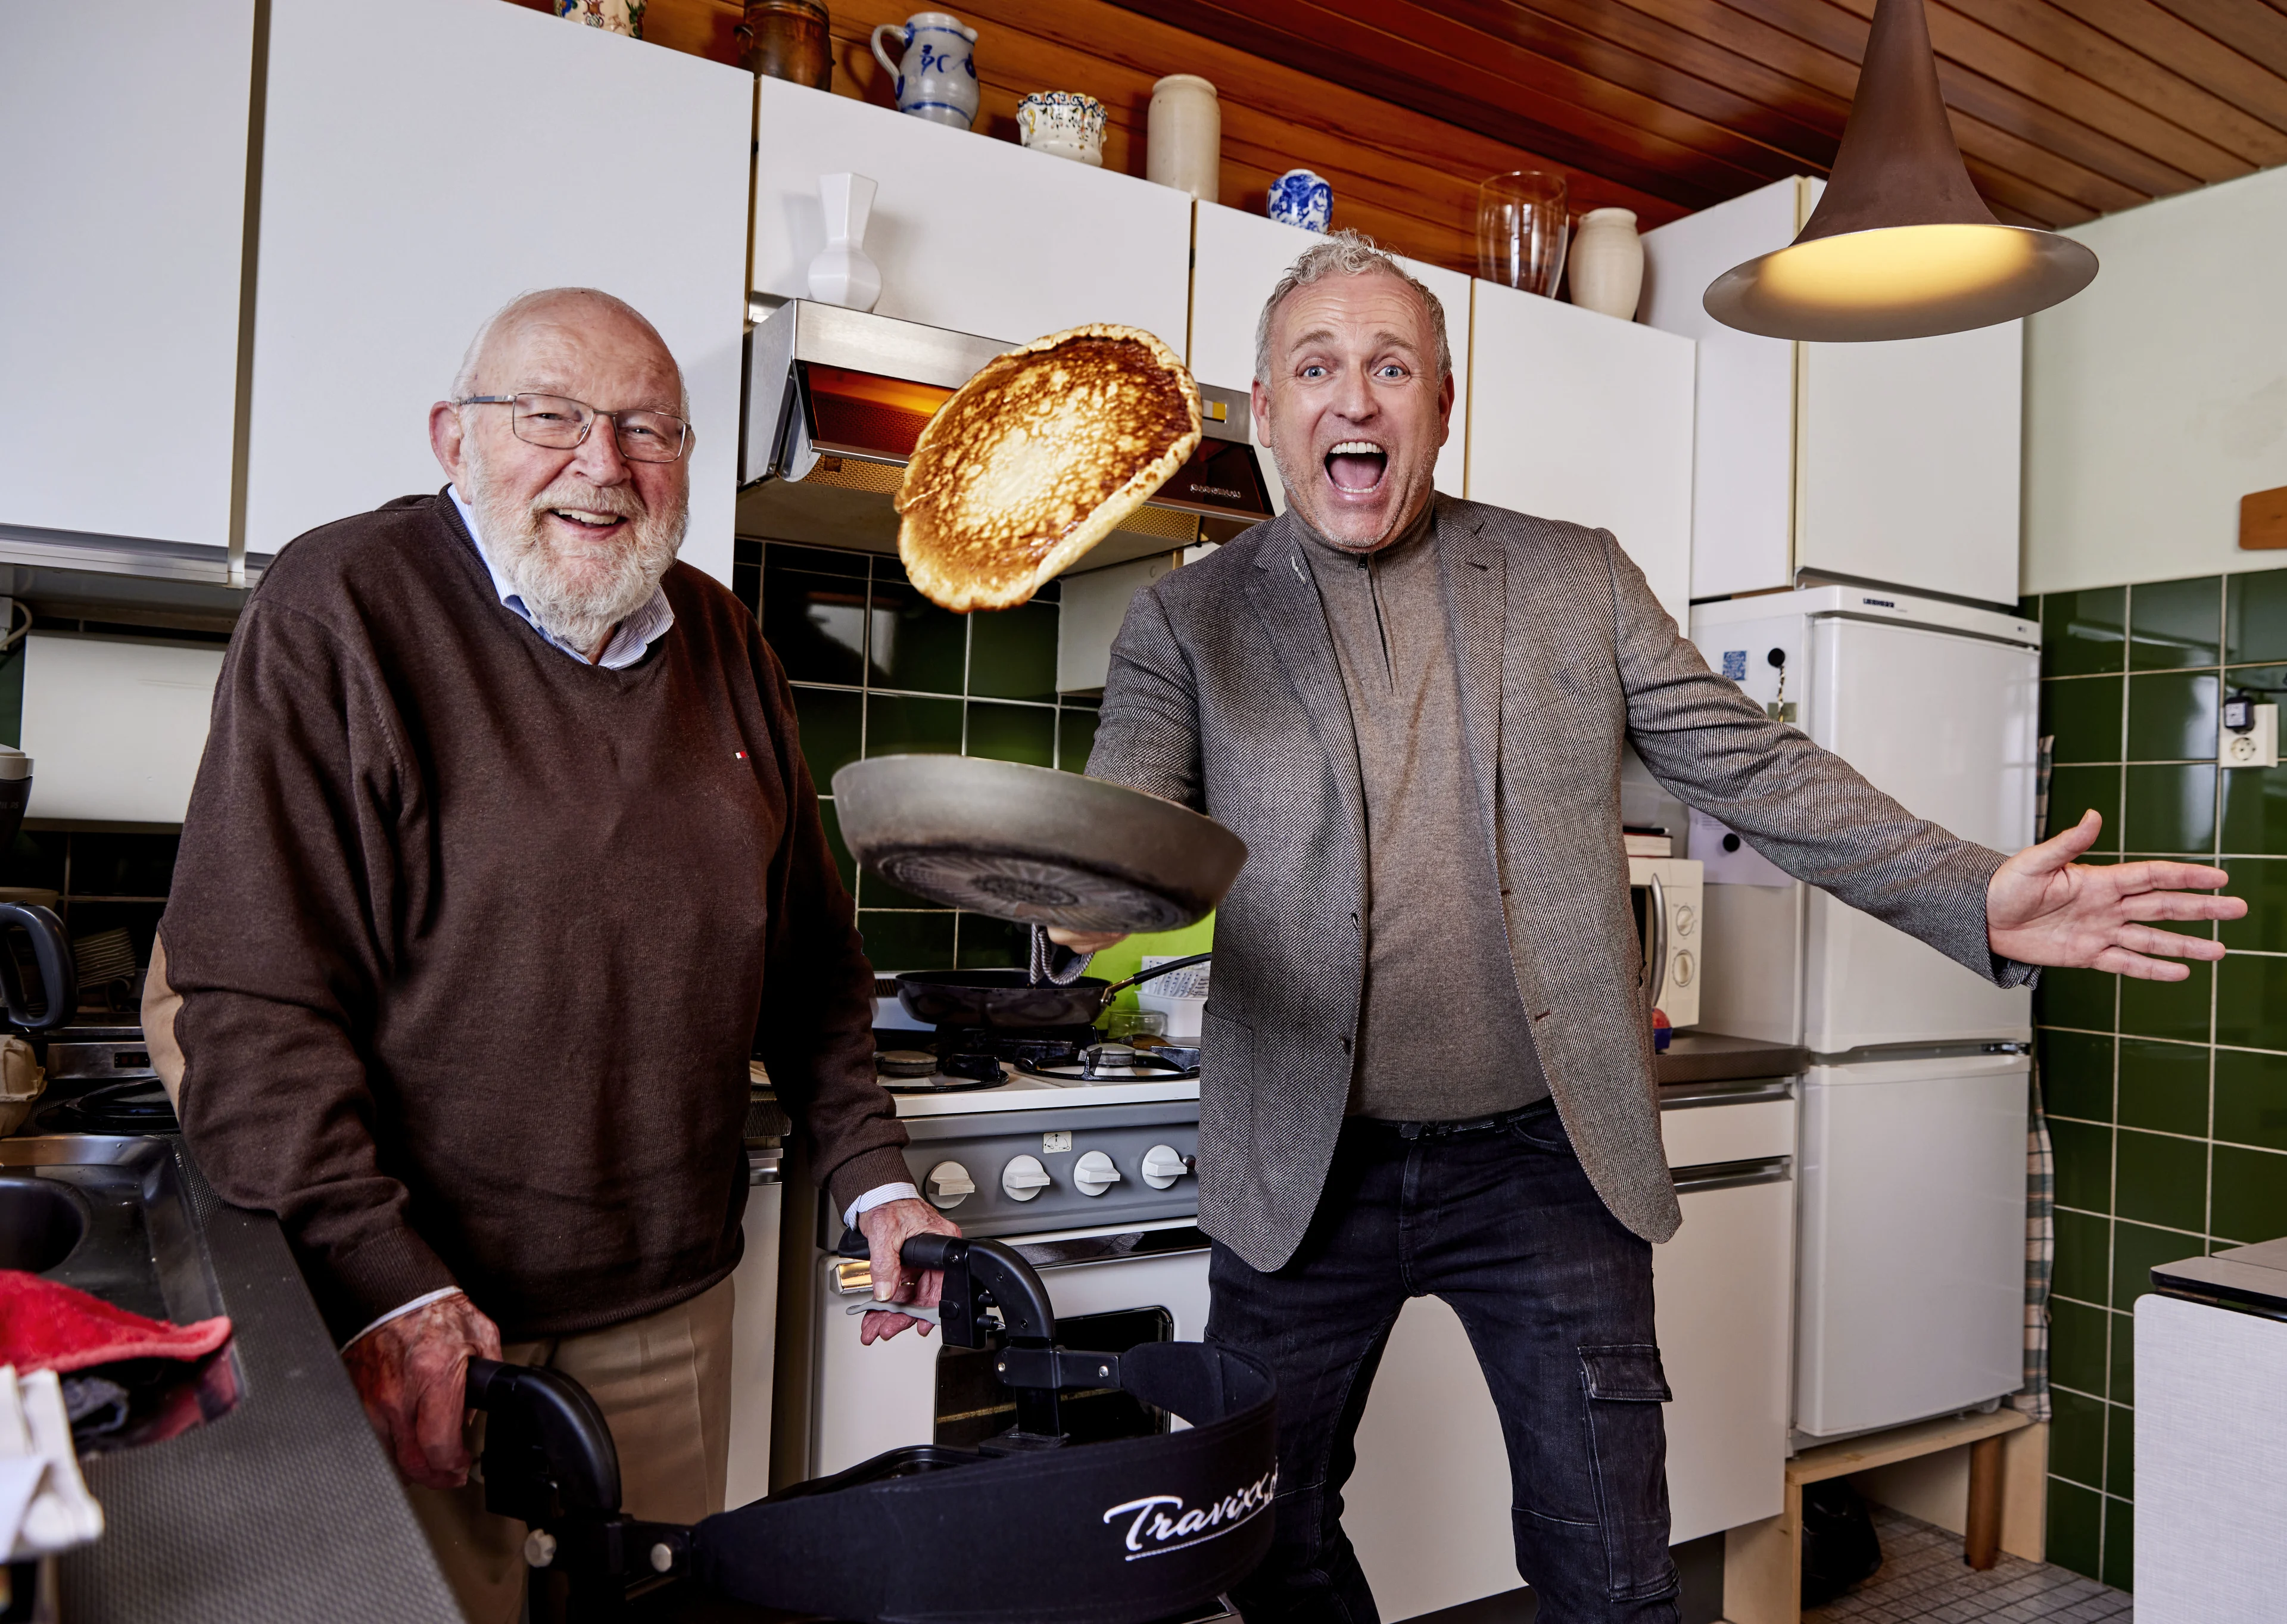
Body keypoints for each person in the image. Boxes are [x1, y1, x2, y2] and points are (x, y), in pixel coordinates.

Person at [1057, 232, 2244, 1624]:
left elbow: (1755, 764)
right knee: (1265, 1534)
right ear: (1265, 410)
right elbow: (1126, 819)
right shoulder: (1185, 620)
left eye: (1392, 367)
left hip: (1543, 1153)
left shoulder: (1575, 578)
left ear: (1445, 403)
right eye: (1316, 368)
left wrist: (1974, 888)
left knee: (1612, 1562)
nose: (1356, 401)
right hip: (1298, 1166)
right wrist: (1068, 888)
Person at [146, 288, 955, 1624]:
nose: (603, 463)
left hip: (668, 1296)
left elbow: (812, 971)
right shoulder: (340, 606)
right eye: (552, 417)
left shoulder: (730, 645)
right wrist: (381, 1279)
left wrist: (876, 1182)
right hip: (416, 1303)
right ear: (451, 440)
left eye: (649, 428)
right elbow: (252, 996)